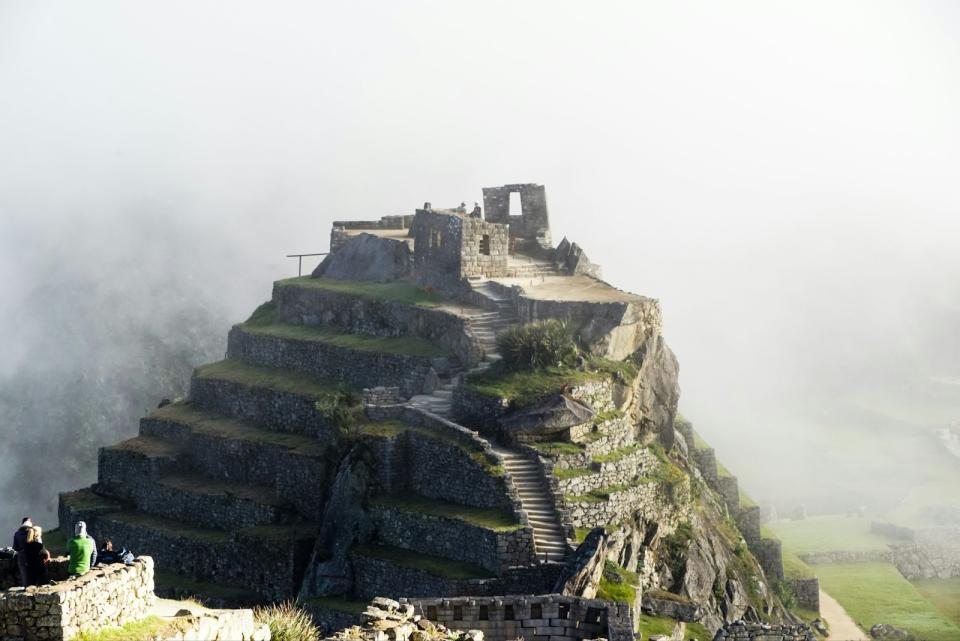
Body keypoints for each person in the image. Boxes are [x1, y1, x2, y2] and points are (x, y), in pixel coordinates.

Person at [12, 517, 33, 587]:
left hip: (21, 555)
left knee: (24, 573)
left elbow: (15, 547)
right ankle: (33, 588)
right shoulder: (32, 533)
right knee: (32, 572)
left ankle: (25, 588)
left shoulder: (17, 534)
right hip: (31, 555)